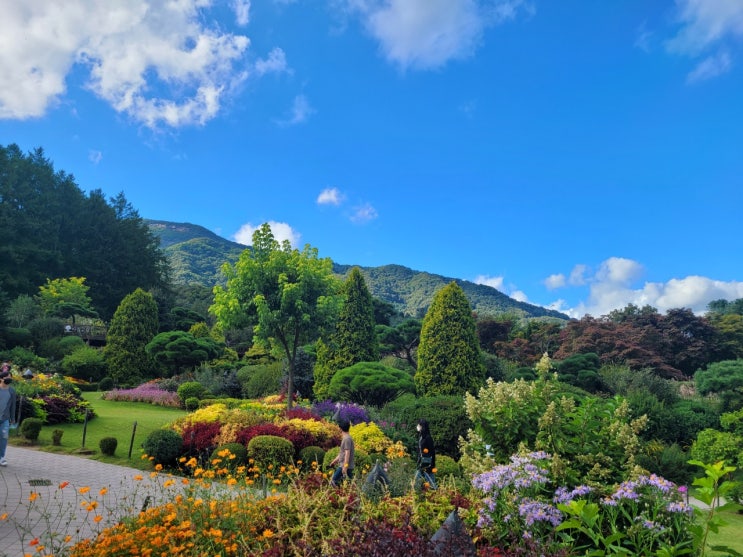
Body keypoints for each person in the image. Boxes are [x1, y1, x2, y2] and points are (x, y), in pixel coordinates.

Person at [329, 419, 355, 486]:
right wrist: (334, 461)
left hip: (345, 466)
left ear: (340, 429)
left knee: (333, 482)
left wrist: (345, 466)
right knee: (350, 484)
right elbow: (342, 453)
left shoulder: (347, 439)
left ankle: (337, 495)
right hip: (345, 466)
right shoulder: (346, 438)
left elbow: (347, 453)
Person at [0, 370, 18, 467]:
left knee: (4, 437)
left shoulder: (11, 391)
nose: (9, 379)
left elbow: (13, 406)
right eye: (7, 377)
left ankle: (2, 458)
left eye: (10, 377)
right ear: (1, 379)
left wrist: (13, 418)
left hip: (5, 418)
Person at [415, 418, 438, 490]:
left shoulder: (428, 438)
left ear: (422, 426)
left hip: (427, 462)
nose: (417, 426)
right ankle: (418, 492)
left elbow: (432, 451)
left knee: (430, 480)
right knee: (419, 478)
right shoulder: (421, 437)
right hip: (421, 462)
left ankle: (434, 493)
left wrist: (433, 464)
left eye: (419, 424)